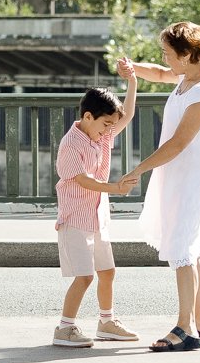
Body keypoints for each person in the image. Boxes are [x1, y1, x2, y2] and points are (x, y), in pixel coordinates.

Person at [120, 21, 200, 353]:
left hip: (193, 177)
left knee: (182, 249)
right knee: (191, 249)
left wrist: (139, 168)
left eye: (168, 53)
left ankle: (185, 329)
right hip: (183, 175)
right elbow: (163, 75)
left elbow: (178, 143)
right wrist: (132, 69)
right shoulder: (190, 72)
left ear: (185, 55)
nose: (164, 59)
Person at [51, 77, 143, 348]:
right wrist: (115, 188)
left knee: (107, 271)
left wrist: (133, 82)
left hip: (97, 216)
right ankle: (64, 328)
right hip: (75, 219)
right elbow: (83, 180)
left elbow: (129, 114)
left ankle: (106, 322)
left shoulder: (98, 133)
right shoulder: (71, 145)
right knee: (85, 276)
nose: (108, 132)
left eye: (110, 127)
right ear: (88, 116)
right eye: (106, 125)